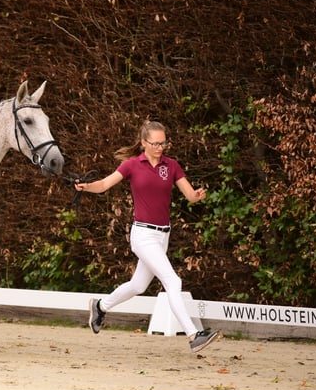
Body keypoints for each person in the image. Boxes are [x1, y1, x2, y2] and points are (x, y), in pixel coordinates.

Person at [75, 120, 221, 353]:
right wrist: (86, 186)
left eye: (163, 143)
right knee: (173, 282)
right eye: (155, 143)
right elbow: (103, 185)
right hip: (143, 235)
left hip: (163, 236)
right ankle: (194, 335)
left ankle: (101, 306)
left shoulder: (171, 166)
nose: (160, 148)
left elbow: (190, 195)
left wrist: (197, 196)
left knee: (138, 285)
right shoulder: (132, 165)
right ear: (144, 143)